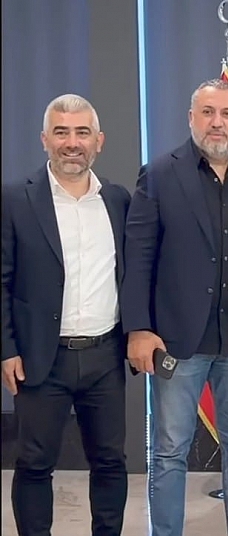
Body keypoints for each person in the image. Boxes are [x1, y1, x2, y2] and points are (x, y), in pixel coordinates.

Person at [121, 79, 228, 536]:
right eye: (208, 112)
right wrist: (138, 328)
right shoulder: (158, 175)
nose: (217, 122)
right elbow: (139, 257)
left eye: (227, 114)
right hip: (176, 341)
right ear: (191, 118)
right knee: (170, 450)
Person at [1, 94, 130, 536]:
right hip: (40, 358)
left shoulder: (118, 200)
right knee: (34, 464)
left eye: (81, 133)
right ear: (44, 140)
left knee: (110, 462)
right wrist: (6, 348)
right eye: (61, 132)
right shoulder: (15, 199)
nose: (72, 142)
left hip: (105, 356)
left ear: (99, 141)